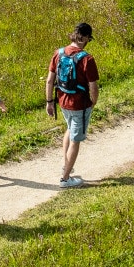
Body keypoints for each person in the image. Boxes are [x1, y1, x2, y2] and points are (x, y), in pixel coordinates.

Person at [46, 22, 99, 188]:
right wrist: (93, 102)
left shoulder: (59, 53)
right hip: (80, 105)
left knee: (69, 129)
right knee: (76, 140)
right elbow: (93, 86)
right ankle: (65, 178)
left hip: (62, 101)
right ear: (86, 38)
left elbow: (49, 80)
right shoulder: (87, 59)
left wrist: (49, 102)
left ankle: (66, 165)